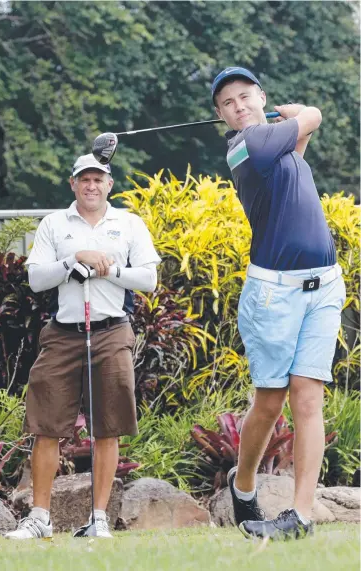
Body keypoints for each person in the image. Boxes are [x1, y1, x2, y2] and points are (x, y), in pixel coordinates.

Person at [211, 67, 345, 540]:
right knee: (269, 401)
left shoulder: (277, 146)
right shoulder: (243, 147)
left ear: (261, 97)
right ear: (222, 117)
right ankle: (242, 482)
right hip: (274, 291)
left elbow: (297, 150)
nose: (239, 106)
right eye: (228, 103)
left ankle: (301, 516)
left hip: (324, 284)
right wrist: (304, 113)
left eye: (246, 96)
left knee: (308, 397)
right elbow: (313, 117)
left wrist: (294, 126)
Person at [6, 154, 161, 539]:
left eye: (98, 179)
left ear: (110, 184)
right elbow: (38, 279)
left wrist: (110, 268)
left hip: (111, 331)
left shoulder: (129, 223)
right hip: (63, 332)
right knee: (46, 425)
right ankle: (39, 519)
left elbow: (149, 279)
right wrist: (74, 259)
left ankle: (99, 520)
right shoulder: (54, 224)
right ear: (72, 183)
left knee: (107, 428)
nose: (91, 185)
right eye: (84, 179)